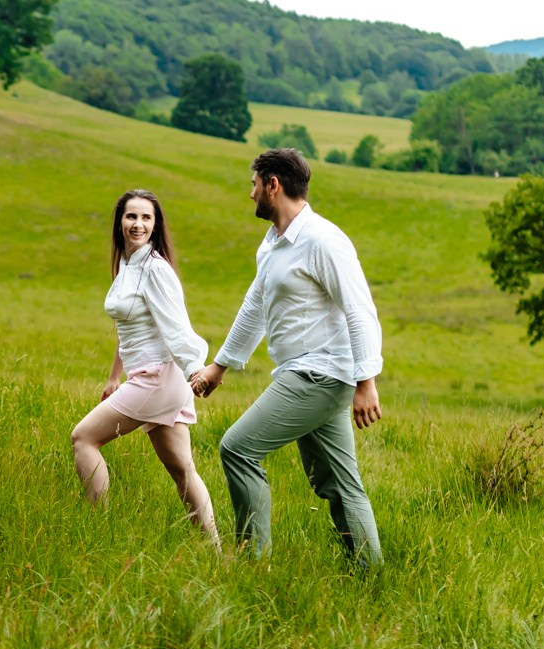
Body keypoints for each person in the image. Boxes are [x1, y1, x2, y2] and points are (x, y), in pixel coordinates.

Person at [190, 149, 384, 563]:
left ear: (273, 185)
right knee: (338, 483)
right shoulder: (274, 243)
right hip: (306, 372)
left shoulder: (323, 241)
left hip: (320, 374)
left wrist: (366, 381)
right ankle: (370, 573)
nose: (251, 193)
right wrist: (220, 367)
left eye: (254, 184)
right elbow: (254, 306)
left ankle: (251, 560)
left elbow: (359, 310)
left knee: (238, 448)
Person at [69, 189, 219, 544]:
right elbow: (128, 330)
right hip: (154, 377)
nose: (138, 224)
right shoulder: (128, 264)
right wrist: (114, 378)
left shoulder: (155, 269)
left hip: (158, 378)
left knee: (83, 438)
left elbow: (176, 327)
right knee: (182, 469)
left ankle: (97, 532)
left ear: (155, 225)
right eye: (131, 216)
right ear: (120, 222)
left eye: (146, 218)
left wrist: (196, 370)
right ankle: (215, 553)